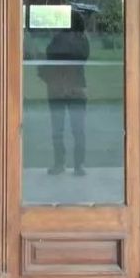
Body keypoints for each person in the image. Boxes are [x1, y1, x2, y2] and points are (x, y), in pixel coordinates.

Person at [38, 11, 90, 176]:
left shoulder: (59, 39)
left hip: (59, 88)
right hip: (75, 88)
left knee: (58, 130)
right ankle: (78, 165)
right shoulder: (82, 40)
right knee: (77, 130)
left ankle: (60, 163)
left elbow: (51, 56)